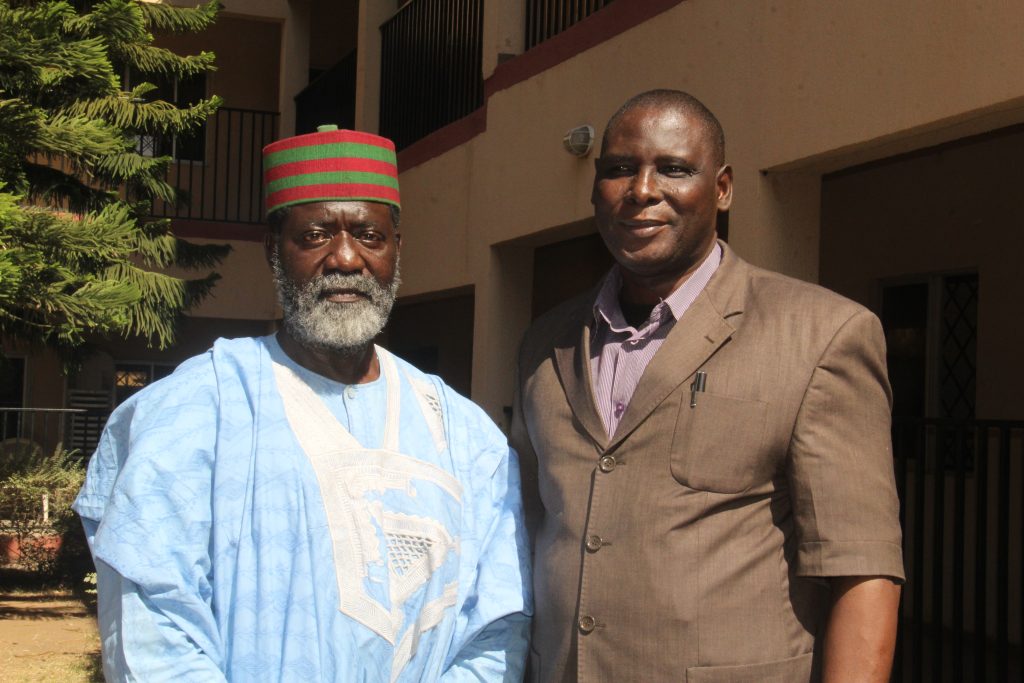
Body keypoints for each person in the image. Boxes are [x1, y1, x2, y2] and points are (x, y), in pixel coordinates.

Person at [74, 126, 532, 681]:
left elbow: (496, 627)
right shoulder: (196, 411)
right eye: (315, 235)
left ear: (396, 250)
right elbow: (154, 632)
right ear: (274, 251)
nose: (346, 259)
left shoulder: (464, 435)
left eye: (369, 235)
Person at [510, 91, 904, 682]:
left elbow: (862, 567)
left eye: (673, 168)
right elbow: (527, 531)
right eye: (619, 169)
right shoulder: (545, 344)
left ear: (722, 189)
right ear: (595, 189)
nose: (642, 190)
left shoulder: (822, 335)